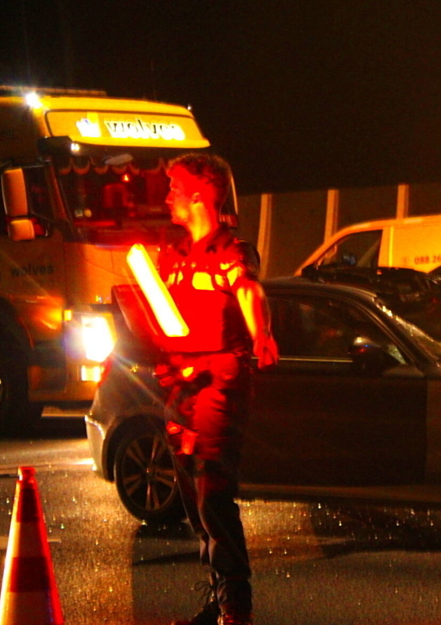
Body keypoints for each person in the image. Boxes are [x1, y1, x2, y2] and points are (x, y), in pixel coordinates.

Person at [158, 153, 279, 625]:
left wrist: (261, 333)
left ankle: (236, 608)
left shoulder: (231, 249)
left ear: (199, 194)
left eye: (174, 188)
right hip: (179, 385)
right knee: (191, 491)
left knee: (212, 489)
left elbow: (249, 290)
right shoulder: (174, 256)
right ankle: (217, 594)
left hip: (220, 382)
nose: (167, 197)